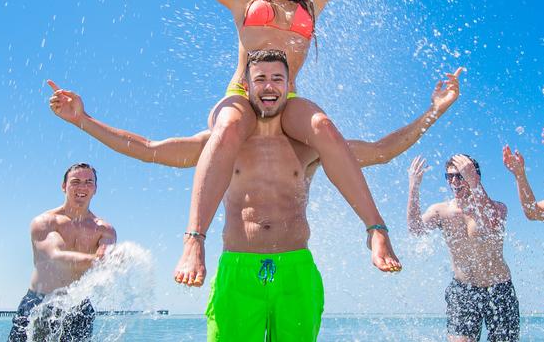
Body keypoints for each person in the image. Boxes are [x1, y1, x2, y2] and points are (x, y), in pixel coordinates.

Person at [48, 52, 462, 341]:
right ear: (246, 86)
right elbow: (150, 148)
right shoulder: (222, 144)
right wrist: (84, 120)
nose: (268, 86)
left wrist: (435, 110)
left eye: (277, 79)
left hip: (296, 271)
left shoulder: (309, 145)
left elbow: (382, 149)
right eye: (260, 78)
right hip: (239, 271)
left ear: (289, 87)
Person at [97, 0, 402, 279]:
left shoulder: (311, 6)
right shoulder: (244, 0)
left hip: (285, 98)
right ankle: (194, 239)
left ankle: (375, 229)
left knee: (323, 126)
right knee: (225, 130)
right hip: (243, 93)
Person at [407, 154, 519, 341]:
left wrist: (473, 181)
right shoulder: (441, 210)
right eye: (449, 176)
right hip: (463, 290)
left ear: (474, 176)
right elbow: (415, 229)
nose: (454, 181)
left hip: (499, 288)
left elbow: (490, 222)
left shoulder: (497, 207)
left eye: (460, 175)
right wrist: (414, 185)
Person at [8, 163, 116, 342]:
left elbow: (105, 258)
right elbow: (54, 256)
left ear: (95, 189)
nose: (82, 187)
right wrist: (99, 259)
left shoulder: (105, 230)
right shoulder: (45, 222)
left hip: (79, 307)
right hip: (40, 303)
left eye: (89, 182)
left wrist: (113, 259)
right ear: (64, 186)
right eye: (76, 181)